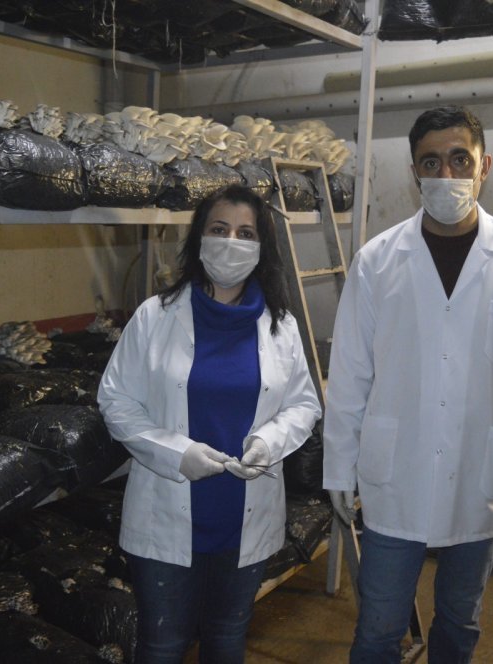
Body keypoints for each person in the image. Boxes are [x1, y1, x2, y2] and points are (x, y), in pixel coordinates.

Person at [323, 105, 493, 664]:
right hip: (397, 475)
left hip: (479, 473)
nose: (446, 174)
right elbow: (349, 375)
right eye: (431, 162)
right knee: (378, 627)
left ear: (485, 166)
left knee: (460, 622)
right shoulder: (377, 262)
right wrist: (338, 466)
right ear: (413, 172)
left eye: (460, 159)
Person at [98, 184, 322, 664]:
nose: (231, 243)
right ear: (199, 238)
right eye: (219, 229)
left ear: (261, 248)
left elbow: (304, 405)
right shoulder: (155, 317)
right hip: (165, 516)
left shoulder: (280, 326)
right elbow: (116, 399)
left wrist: (268, 442)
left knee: (226, 638)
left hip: (244, 519)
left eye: (245, 233)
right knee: (162, 645)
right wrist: (175, 453)